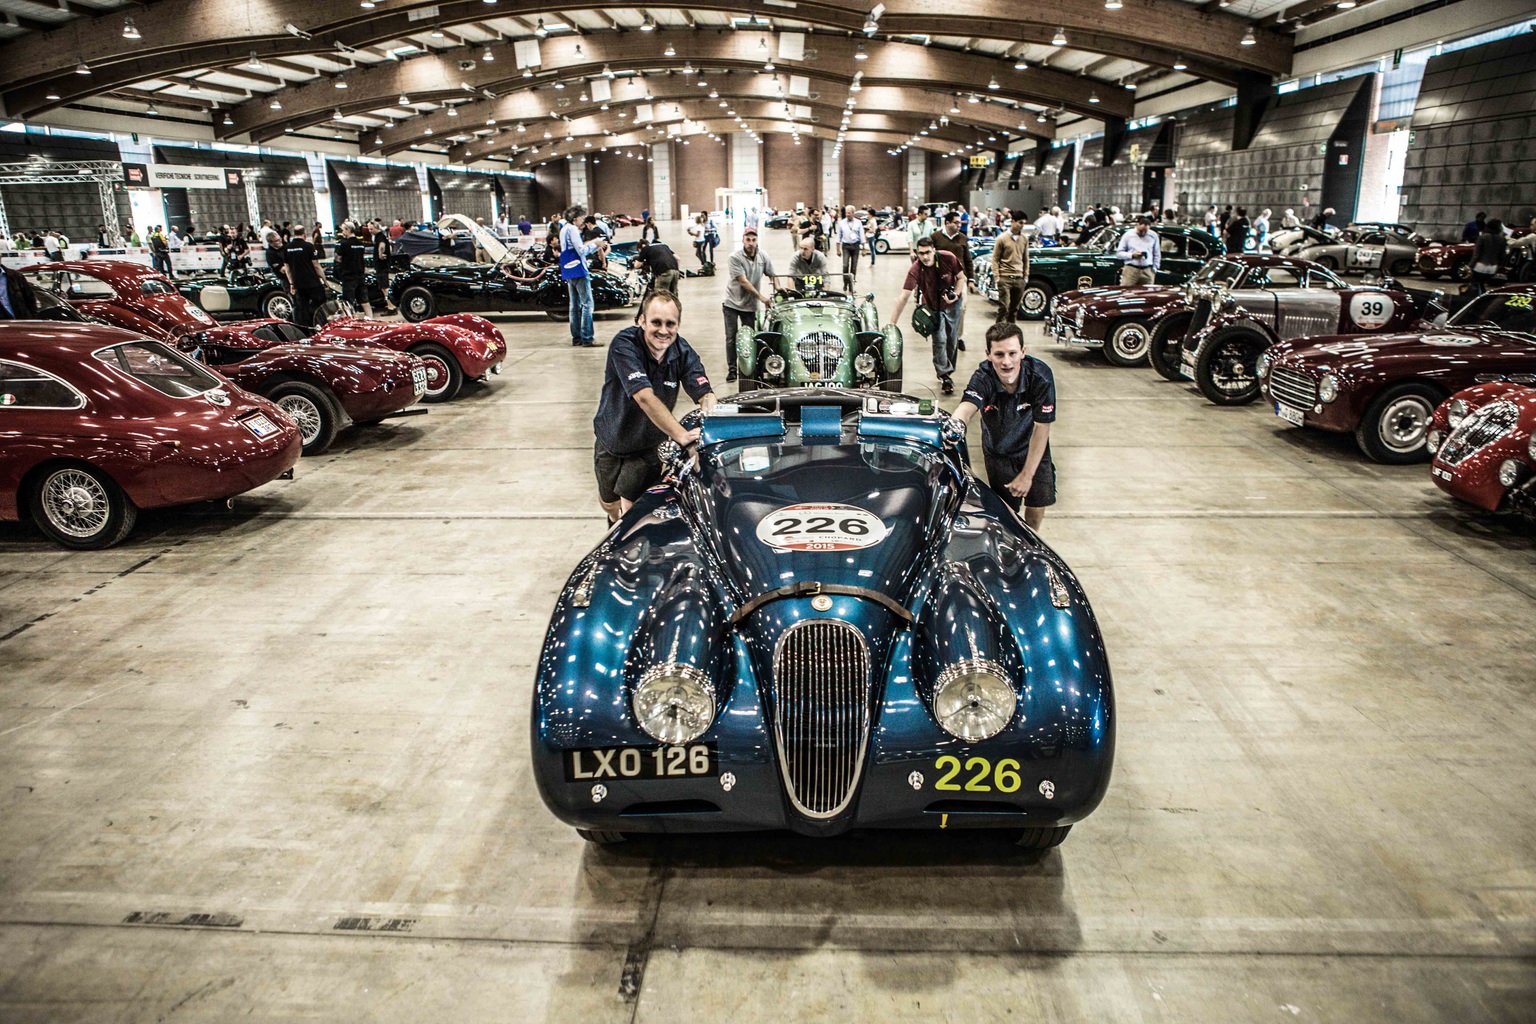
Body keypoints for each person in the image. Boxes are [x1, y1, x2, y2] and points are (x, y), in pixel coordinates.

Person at [592, 291, 716, 522]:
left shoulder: (683, 352)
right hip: (612, 437)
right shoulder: (624, 345)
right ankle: (612, 521)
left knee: (632, 508)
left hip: (649, 445)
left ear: (678, 325)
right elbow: (644, 397)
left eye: (671, 324)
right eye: (656, 322)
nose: (663, 330)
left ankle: (626, 539)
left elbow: (705, 394)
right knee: (609, 502)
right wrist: (683, 436)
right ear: (641, 320)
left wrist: (711, 417)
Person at [949, 321, 1057, 531]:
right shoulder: (983, 377)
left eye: (1012, 353)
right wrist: (954, 425)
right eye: (999, 355)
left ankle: (1031, 543)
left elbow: (1042, 427)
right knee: (1006, 515)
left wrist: (1027, 475)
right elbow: (966, 407)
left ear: (1023, 352)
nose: (1006, 362)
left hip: (1033, 448)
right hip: (998, 453)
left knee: (1035, 508)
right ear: (988, 354)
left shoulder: (1040, 377)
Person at [890, 235, 965, 395]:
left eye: (928, 252)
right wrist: (892, 323)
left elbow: (961, 278)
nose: (924, 257)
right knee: (940, 340)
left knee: (952, 339)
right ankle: (944, 375)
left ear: (934, 250)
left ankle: (948, 369)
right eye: (921, 253)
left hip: (953, 305)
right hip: (933, 307)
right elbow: (904, 297)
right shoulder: (916, 269)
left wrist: (956, 295)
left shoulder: (948, 258)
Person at [722, 228, 775, 383]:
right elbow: (743, 281)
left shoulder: (763, 256)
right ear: (743, 240)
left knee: (751, 338)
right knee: (731, 337)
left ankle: (752, 369)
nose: (751, 243)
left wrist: (778, 288)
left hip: (749, 305)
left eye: (753, 239)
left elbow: (772, 274)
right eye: (748, 240)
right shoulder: (735, 257)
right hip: (731, 303)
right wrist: (762, 298)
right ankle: (732, 370)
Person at [559, 204, 607, 347]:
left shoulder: (564, 229)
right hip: (579, 269)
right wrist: (596, 245)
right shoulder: (573, 229)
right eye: (582, 217)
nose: (583, 221)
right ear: (575, 218)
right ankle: (587, 337)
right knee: (587, 304)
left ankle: (577, 338)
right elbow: (580, 250)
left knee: (574, 306)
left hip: (568, 268)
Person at [931, 210, 974, 353]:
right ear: (947, 223)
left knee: (961, 309)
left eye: (960, 222)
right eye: (956, 222)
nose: (959, 225)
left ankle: (957, 337)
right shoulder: (935, 238)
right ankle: (943, 337)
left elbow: (968, 260)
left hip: (960, 279)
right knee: (942, 309)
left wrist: (971, 279)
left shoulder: (962, 238)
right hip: (941, 280)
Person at [281, 229, 328, 326]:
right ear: (304, 234)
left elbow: (287, 268)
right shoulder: (309, 246)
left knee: (303, 308)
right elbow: (316, 266)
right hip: (312, 282)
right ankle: (320, 324)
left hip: (298, 284)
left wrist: (291, 283)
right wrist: (324, 280)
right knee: (320, 305)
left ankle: (307, 328)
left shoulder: (286, 248)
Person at [991, 211, 1028, 323]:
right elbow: (995, 258)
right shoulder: (1001, 238)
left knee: (1014, 310)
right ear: (1013, 222)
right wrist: (997, 277)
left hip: (1019, 278)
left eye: (1024, 223)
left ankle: (1011, 332)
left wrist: (1025, 276)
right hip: (1005, 277)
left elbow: (1026, 259)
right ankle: (998, 331)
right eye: (1020, 222)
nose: (1022, 225)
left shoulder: (1024, 239)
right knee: (1004, 307)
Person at [335, 222, 371, 316]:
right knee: (364, 301)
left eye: (343, 230)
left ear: (348, 230)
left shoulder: (344, 244)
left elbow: (338, 258)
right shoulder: (360, 244)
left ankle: (351, 321)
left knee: (348, 302)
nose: (342, 232)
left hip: (349, 276)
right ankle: (370, 319)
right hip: (360, 274)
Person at [1116, 216, 1160, 286]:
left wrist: (1154, 269)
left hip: (1147, 271)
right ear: (1137, 225)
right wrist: (1132, 255)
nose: (1143, 233)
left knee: (1146, 294)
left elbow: (1157, 253)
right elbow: (1119, 253)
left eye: (1145, 231)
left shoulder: (1153, 236)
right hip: (1131, 270)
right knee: (1127, 292)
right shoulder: (1128, 235)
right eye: (1141, 231)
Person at [1471, 218, 1507, 296]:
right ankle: (1484, 295)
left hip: (1480, 265)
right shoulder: (1502, 239)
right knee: (1483, 283)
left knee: (1477, 284)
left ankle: (1479, 297)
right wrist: (1501, 266)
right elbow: (1503, 255)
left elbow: (1476, 254)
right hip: (1493, 267)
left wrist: (1470, 266)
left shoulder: (1483, 237)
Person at [835, 205, 866, 285]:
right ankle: (845, 282)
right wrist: (837, 249)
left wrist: (863, 249)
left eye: (849, 213)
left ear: (853, 213)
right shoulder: (842, 223)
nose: (847, 214)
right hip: (846, 246)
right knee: (845, 265)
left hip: (856, 246)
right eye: (846, 213)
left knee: (854, 266)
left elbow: (862, 235)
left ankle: (852, 281)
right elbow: (838, 236)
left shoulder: (858, 223)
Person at [370, 221, 395, 312]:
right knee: (384, 286)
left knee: (384, 287)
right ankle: (390, 304)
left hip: (381, 265)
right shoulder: (381, 236)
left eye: (371, 229)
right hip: (383, 265)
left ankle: (391, 306)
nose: (370, 231)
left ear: (377, 228)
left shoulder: (380, 237)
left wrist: (380, 254)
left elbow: (382, 245)